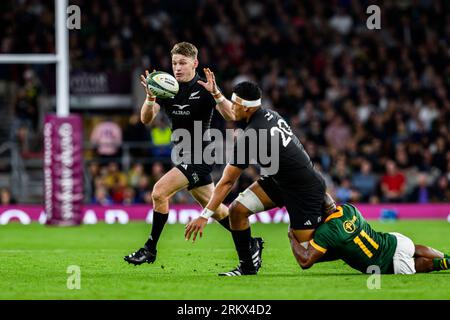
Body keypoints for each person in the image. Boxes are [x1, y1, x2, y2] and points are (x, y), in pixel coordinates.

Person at [185, 80, 326, 276]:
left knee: (307, 255)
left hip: (303, 190)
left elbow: (226, 182)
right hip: (280, 180)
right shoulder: (269, 114)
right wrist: (216, 93)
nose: (232, 108)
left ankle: (346, 238)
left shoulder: (251, 135)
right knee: (237, 210)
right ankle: (247, 267)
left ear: (245, 108)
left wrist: (204, 216)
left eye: (235, 104)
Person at [124, 42, 238, 265]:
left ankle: (150, 249)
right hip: (184, 156)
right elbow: (146, 119)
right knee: (217, 211)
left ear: (194, 63)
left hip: (201, 155)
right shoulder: (167, 89)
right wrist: (150, 98)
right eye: (175, 63)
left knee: (159, 192)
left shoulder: (205, 88)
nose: (177, 67)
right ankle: (250, 242)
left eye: (183, 63)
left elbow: (231, 115)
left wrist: (216, 93)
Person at [288, 194, 450, 274]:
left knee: (418, 265)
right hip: (393, 241)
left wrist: (291, 237)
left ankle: (446, 264)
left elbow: (305, 262)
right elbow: (342, 246)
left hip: (386, 263)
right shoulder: (349, 208)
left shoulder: (326, 232)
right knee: (414, 248)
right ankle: (446, 256)